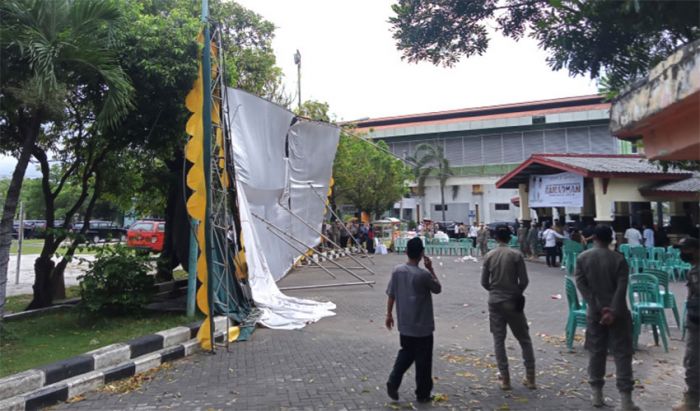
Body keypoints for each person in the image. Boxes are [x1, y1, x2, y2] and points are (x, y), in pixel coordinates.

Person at [575, 225, 639, 411]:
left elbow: (582, 286)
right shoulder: (619, 259)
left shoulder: (582, 258)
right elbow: (621, 288)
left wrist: (597, 307)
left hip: (594, 314)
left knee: (596, 352)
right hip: (618, 314)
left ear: (594, 237)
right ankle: (626, 400)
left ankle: (596, 395)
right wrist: (612, 310)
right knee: (622, 354)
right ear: (611, 238)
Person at [385, 237, 442, 403]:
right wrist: (431, 269)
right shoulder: (423, 275)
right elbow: (437, 289)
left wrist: (389, 314)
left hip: (405, 322)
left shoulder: (397, 271)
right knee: (423, 361)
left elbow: (391, 294)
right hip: (423, 325)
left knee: (406, 353)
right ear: (421, 254)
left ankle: (394, 380)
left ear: (406, 252)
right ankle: (423, 393)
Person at [481, 225, 536, 391]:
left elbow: (484, 282)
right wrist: (516, 292)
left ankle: (505, 379)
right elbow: (524, 281)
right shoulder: (516, 255)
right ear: (510, 238)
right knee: (524, 339)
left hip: (495, 302)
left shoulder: (489, 255)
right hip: (512, 301)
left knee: (499, 340)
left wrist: (495, 291)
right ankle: (531, 377)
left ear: (496, 238)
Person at [673, 237, 699, 411]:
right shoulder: (693, 271)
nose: (683, 254)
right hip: (695, 322)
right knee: (692, 361)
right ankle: (692, 399)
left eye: (686, 250)